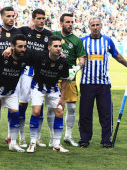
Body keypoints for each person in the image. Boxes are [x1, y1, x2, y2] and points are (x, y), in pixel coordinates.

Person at [79, 17, 127, 148]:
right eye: (93, 25)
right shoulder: (83, 41)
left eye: (97, 25)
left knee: (106, 112)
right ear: (89, 27)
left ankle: (106, 139)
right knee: (85, 113)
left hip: (103, 84)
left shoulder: (107, 41)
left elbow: (117, 56)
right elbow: (77, 59)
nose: (95, 27)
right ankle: (84, 139)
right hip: (87, 83)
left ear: (101, 26)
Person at [47, 13, 86, 147]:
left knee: (72, 107)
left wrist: (77, 68)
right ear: (61, 22)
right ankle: (52, 136)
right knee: (52, 107)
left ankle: (68, 135)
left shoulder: (77, 40)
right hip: (53, 77)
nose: (70, 24)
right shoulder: (54, 35)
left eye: (72, 22)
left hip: (70, 78)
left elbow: (82, 59)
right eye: (67, 22)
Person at [25, 35, 69, 153]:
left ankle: (56, 144)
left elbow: (64, 80)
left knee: (59, 112)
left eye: (60, 46)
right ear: (49, 47)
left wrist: (63, 97)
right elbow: (25, 52)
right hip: (38, 87)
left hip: (54, 89)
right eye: (55, 46)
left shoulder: (63, 62)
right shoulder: (39, 56)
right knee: (36, 111)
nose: (58, 48)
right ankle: (32, 142)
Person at [0, 34, 28, 154]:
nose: (23, 49)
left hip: (11, 91)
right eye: (20, 46)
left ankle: (13, 143)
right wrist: (6, 50)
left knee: (15, 114)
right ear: (13, 46)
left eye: (24, 46)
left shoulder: (26, 57)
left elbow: (41, 56)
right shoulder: (2, 56)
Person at [17, 9, 52, 148]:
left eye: (43, 18)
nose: (41, 21)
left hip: (40, 73)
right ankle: (20, 136)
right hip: (26, 72)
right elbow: (12, 32)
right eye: (38, 18)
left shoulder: (48, 34)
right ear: (33, 19)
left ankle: (37, 137)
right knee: (23, 104)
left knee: (39, 106)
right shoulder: (25, 31)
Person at [0, 6, 22, 148]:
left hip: (14, 75)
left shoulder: (18, 32)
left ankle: (11, 137)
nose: (11, 19)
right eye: (8, 16)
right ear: (2, 17)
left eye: (13, 16)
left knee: (13, 107)